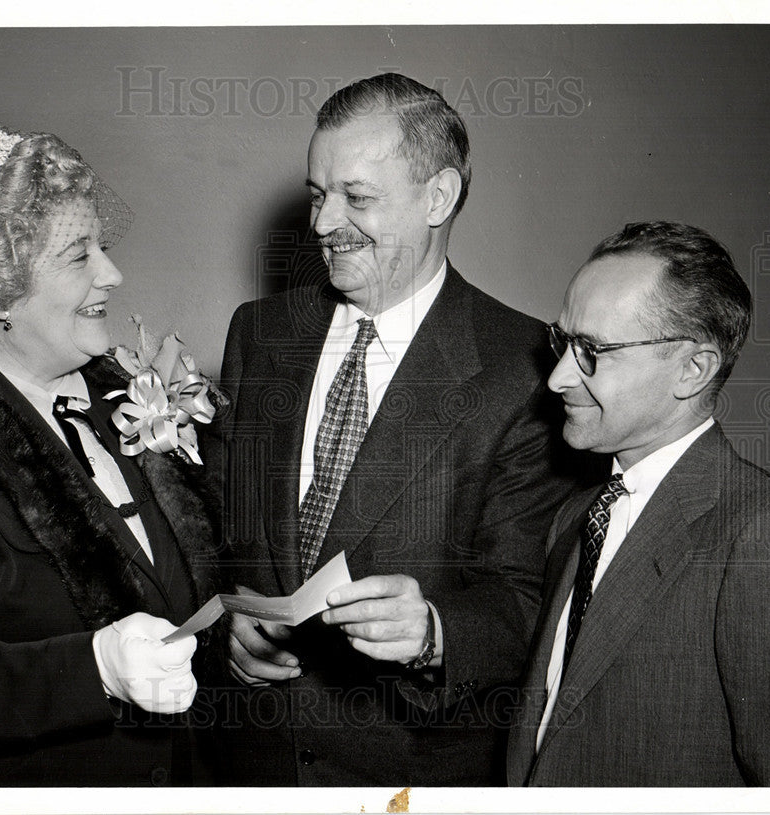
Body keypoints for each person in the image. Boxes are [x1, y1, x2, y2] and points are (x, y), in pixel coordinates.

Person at [209, 73, 587, 785]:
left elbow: (525, 599)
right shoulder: (259, 334)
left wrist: (437, 632)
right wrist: (225, 629)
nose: (322, 224)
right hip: (248, 767)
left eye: (357, 197)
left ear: (438, 197)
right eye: (319, 195)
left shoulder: (528, 367)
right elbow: (219, 531)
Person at [0, 126, 220, 786]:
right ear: (0, 292)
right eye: (79, 256)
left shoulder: (125, 394)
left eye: (102, 247)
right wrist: (93, 669)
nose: (113, 273)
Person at [506, 221, 770, 786]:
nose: (557, 377)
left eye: (592, 351)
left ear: (693, 370)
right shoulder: (577, 515)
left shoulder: (768, 534)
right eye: (562, 341)